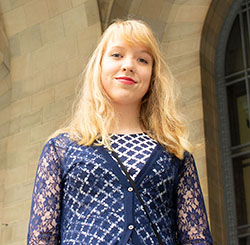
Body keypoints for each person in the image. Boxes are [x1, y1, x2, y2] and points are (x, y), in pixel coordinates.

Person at [27, 19, 213, 244]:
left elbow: (196, 238)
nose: (128, 65)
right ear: (99, 66)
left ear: (153, 75)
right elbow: (42, 237)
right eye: (117, 55)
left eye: (142, 59)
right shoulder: (62, 149)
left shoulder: (175, 152)